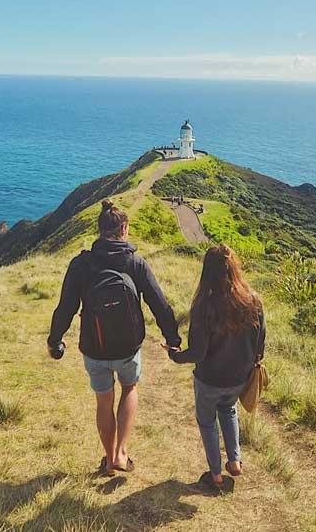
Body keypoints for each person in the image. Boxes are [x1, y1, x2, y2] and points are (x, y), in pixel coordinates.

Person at [49, 199, 181, 476]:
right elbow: (160, 304)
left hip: (94, 348)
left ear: (99, 230)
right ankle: (121, 453)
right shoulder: (136, 263)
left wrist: (55, 341)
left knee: (104, 401)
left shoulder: (81, 264)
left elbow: (66, 308)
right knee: (130, 388)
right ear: (124, 229)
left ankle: (109, 459)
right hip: (128, 347)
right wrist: (173, 339)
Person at [164, 244, 266, 492]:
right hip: (239, 378)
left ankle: (216, 475)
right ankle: (235, 460)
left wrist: (175, 356)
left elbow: (198, 353)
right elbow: (260, 345)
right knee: (229, 410)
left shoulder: (204, 305)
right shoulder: (253, 301)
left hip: (209, 380)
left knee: (207, 422)